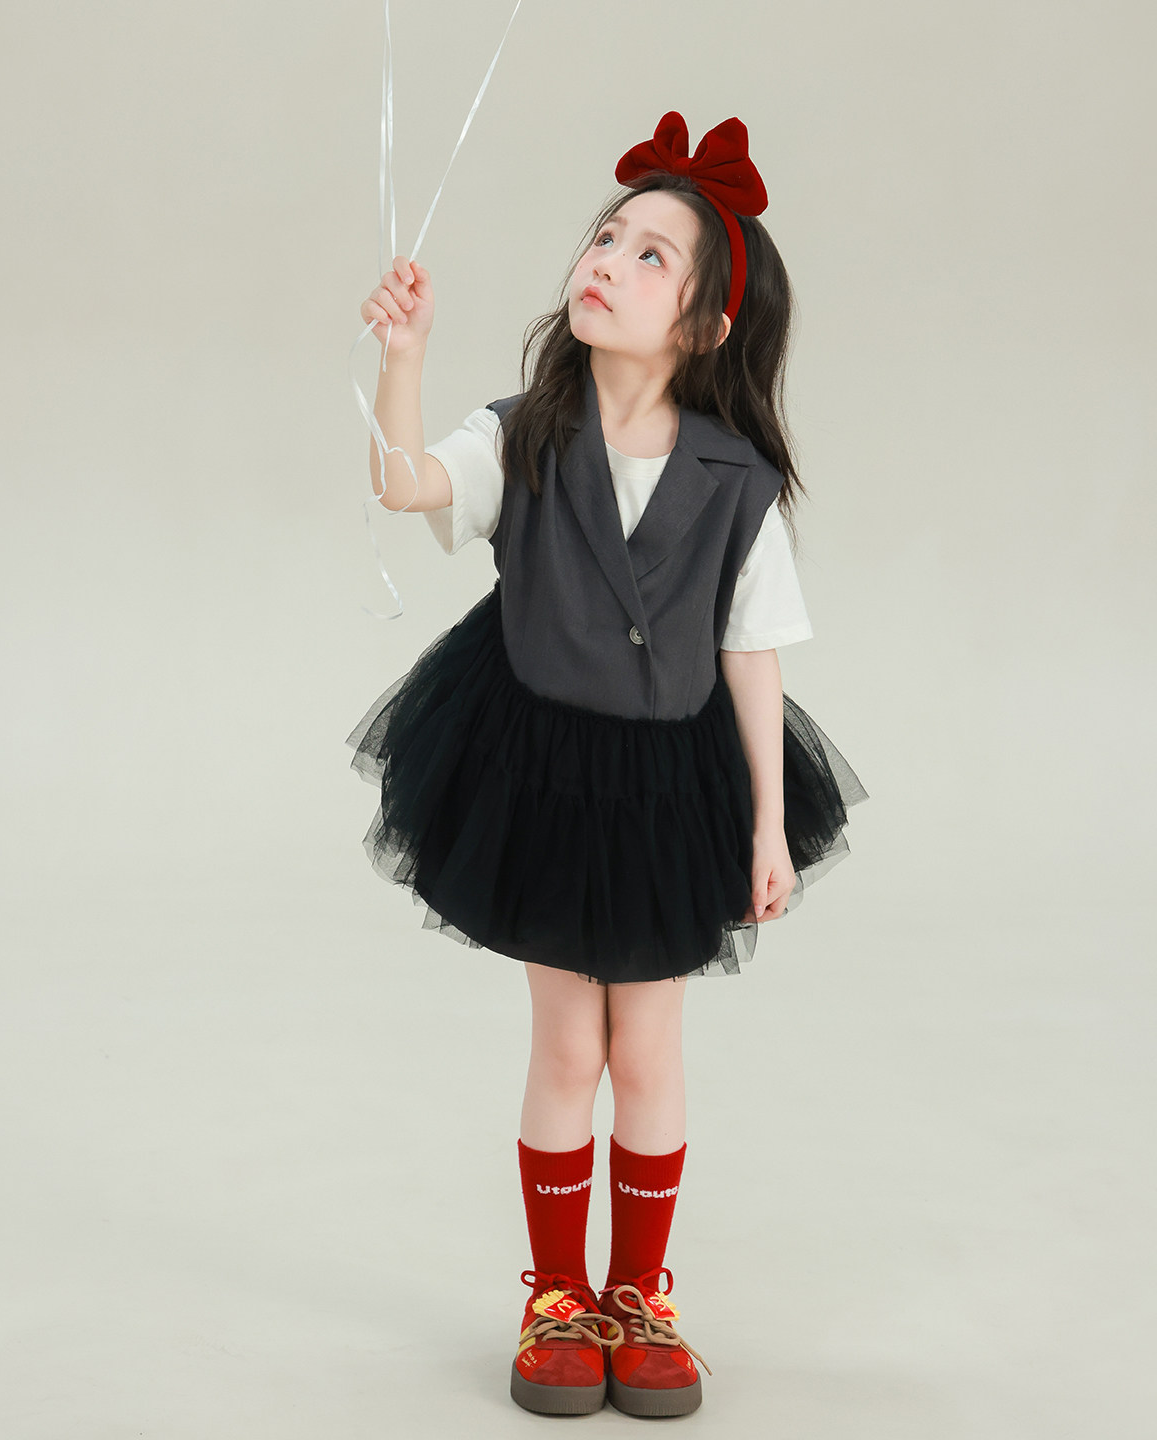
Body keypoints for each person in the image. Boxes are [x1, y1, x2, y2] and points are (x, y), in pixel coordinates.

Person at [345, 112, 869, 1418]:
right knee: (568, 1046)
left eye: (650, 256)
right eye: (607, 236)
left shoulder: (738, 480)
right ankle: (556, 1298)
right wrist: (405, 356)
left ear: (706, 326)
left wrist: (766, 822)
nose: (607, 261)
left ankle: (640, 1295)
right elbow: (405, 485)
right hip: (539, 766)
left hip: (666, 786)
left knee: (650, 1050)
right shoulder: (524, 432)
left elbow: (751, 653)